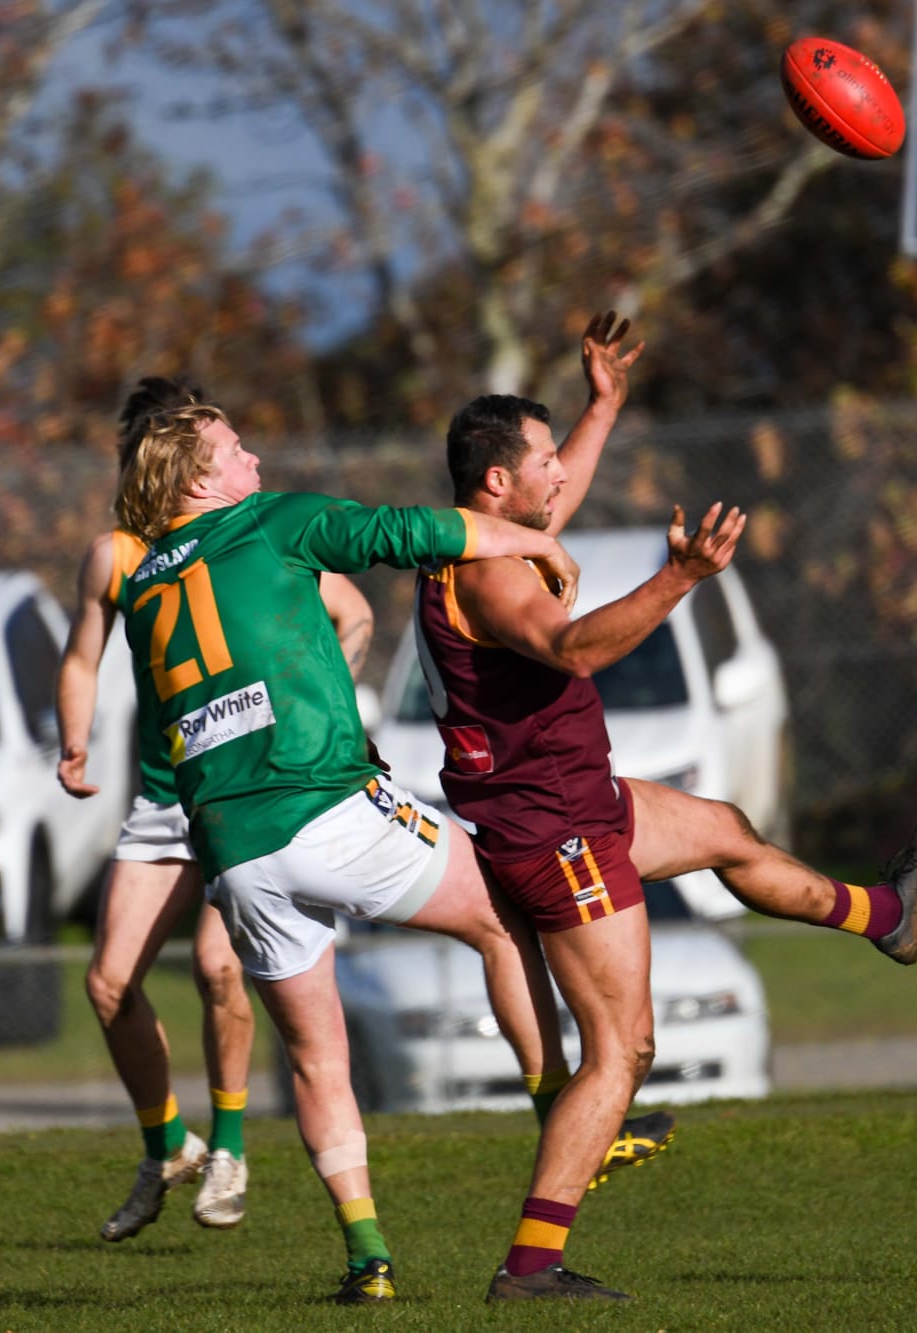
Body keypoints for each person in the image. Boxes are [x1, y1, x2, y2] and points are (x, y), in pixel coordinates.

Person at [412, 313, 917, 1302]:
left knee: (722, 831)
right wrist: (680, 578)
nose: (557, 476)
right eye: (541, 462)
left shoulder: (497, 531)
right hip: (555, 828)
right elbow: (570, 648)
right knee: (623, 1051)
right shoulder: (489, 570)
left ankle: (884, 916)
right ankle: (528, 1268)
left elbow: (554, 498)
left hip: (575, 802)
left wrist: (601, 403)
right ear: (497, 483)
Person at [107, 400, 591, 1304]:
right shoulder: (270, 519)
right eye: (232, 446)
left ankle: (368, 1260)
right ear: (199, 480)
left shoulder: (139, 590)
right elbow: (416, 531)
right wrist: (537, 547)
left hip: (233, 852)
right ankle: (568, 1119)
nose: (253, 452)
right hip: (325, 805)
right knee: (502, 913)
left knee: (317, 1058)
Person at [56, 377, 378, 1241]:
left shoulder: (248, 537)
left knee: (220, 966)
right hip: (169, 795)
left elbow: (352, 613)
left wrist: (309, 713)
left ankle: (230, 1144)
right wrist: (73, 738)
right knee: (107, 981)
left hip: (248, 796)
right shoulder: (119, 557)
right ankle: (169, 1143)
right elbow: (82, 657)